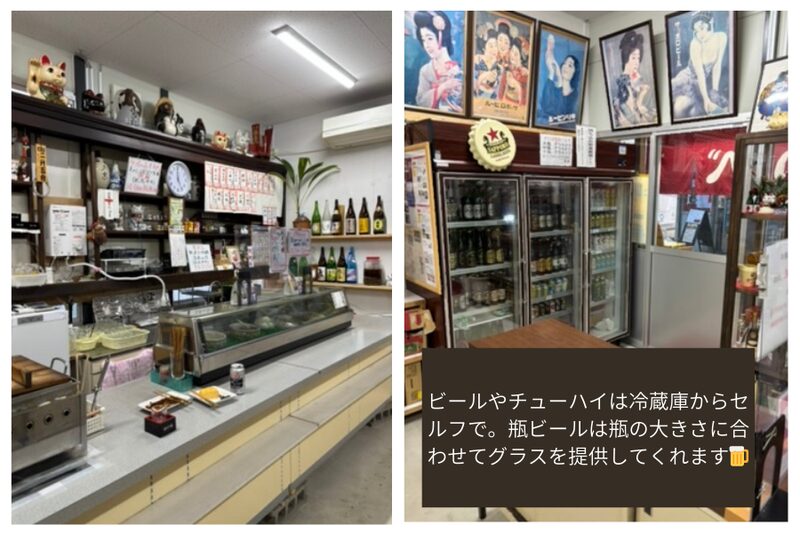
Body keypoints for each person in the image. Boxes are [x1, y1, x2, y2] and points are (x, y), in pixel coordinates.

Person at [671, 11, 729, 118]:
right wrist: (706, 99)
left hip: (700, 84)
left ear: (710, 23)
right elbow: (700, 74)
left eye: (702, 28)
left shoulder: (721, 37)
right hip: (687, 78)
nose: (700, 34)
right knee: (678, 105)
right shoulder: (695, 44)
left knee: (697, 110)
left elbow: (717, 66)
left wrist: (714, 92)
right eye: (696, 31)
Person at [413, 11, 463, 113]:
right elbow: (420, 101)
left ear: (441, 37)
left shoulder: (460, 68)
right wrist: (443, 87)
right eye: (423, 40)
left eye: (430, 38)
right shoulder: (425, 71)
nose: (426, 45)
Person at [612, 30, 656, 126]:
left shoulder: (637, 77)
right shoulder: (623, 82)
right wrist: (641, 97)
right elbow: (632, 116)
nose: (637, 62)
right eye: (633, 58)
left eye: (638, 58)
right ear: (625, 58)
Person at [538, 34, 579, 124]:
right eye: (564, 63)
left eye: (570, 65)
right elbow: (545, 106)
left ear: (575, 72)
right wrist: (552, 73)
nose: (565, 67)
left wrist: (560, 79)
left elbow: (559, 117)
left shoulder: (575, 95)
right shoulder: (552, 87)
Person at [473, 28, 502, 99]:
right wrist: (483, 76)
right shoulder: (477, 60)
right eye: (491, 46)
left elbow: (498, 92)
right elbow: (471, 86)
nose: (494, 49)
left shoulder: (499, 67)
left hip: (491, 101)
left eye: (496, 46)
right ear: (484, 47)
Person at [500, 37, 529, 105]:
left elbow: (524, 99)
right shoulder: (507, 68)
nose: (513, 55)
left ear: (521, 57)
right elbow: (501, 90)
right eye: (512, 51)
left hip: (518, 106)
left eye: (516, 53)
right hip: (504, 102)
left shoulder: (524, 73)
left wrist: (517, 85)